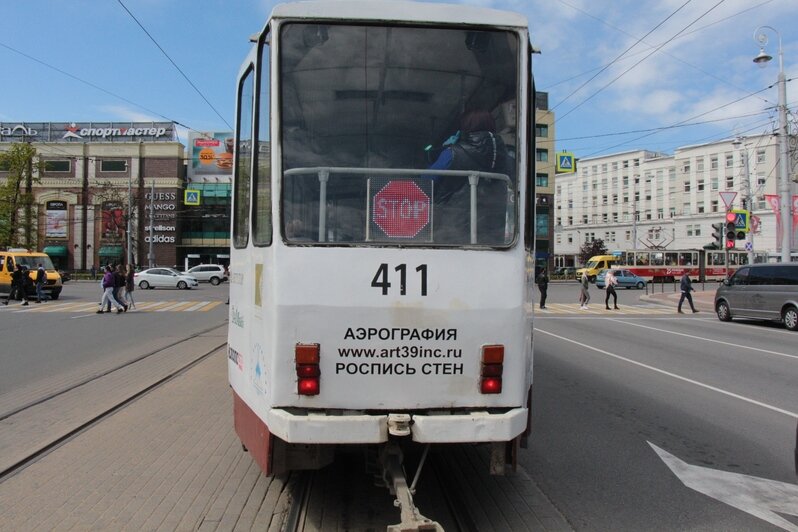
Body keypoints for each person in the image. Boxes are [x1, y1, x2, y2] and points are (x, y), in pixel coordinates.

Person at [426, 109, 515, 243]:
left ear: (465, 128)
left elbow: (426, 182)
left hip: (450, 228)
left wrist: (442, 151)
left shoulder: (452, 153)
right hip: (495, 231)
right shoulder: (509, 160)